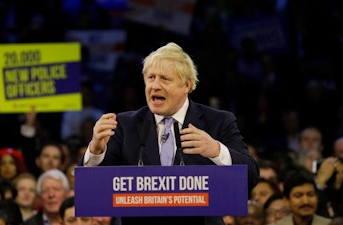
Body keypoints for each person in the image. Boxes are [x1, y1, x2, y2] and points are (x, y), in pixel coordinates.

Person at [80, 42, 259, 225]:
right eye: (151, 78)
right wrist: (95, 150)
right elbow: (92, 189)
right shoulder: (124, 125)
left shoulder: (218, 122)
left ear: (186, 85)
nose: (155, 86)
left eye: (165, 79)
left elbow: (250, 176)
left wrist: (216, 150)